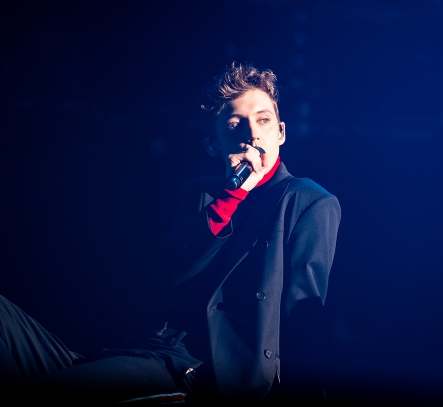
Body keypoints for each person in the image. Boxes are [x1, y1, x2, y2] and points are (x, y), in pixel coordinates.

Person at [0, 62, 341, 404]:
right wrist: (232, 195)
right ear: (213, 144)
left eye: (263, 120)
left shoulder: (307, 200)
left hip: (198, 366)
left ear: (280, 132)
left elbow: (304, 317)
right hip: (140, 349)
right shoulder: (201, 193)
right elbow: (169, 273)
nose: (252, 134)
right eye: (234, 124)